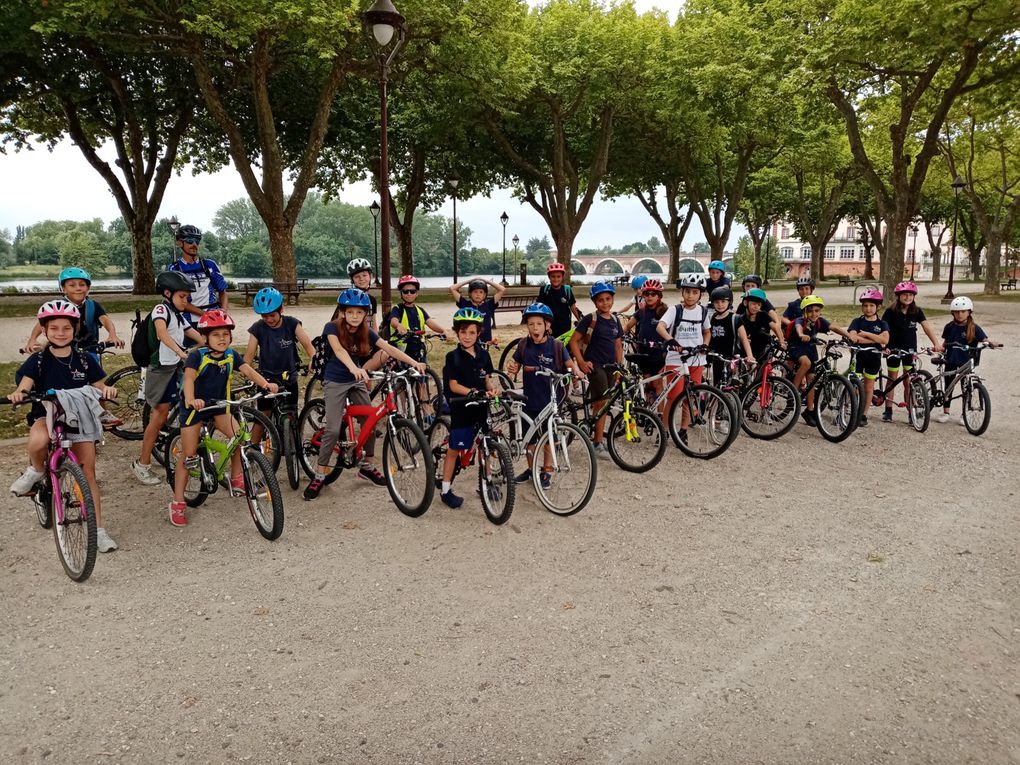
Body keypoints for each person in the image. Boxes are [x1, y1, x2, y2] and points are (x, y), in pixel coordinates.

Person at [9, 301, 120, 552]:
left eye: (66, 328)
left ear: (75, 329)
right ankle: (36, 470)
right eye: (54, 328)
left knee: (88, 473)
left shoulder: (83, 359)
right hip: (47, 415)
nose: (60, 333)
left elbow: (99, 384)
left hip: (79, 419)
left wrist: (106, 390)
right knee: (37, 441)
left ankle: (98, 530)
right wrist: (19, 393)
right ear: (45, 330)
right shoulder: (38, 360)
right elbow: (25, 385)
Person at [305, 288, 427, 501]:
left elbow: (388, 347)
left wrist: (414, 362)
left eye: (359, 313)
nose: (354, 316)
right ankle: (320, 473)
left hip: (356, 379)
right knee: (333, 430)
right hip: (335, 380)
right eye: (350, 312)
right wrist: (354, 368)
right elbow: (340, 351)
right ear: (342, 312)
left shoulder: (366, 331)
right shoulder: (331, 327)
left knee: (371, 421)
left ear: (365, 314)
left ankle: (367, 466)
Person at [170, 310, 278, 527]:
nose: (222, 338)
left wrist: (266, 384)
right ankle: (178, 501)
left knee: (240, 436)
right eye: (216, 334)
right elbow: (189, 379)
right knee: (189, 455)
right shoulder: (197, 356)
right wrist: (191, 399)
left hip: (220, 406)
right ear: (206, 337)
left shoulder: (231, 355)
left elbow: (247, 370)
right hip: (194, 409)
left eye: (225, 334)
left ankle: (237, 477)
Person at [22, 267, 125, 426]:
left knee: (95, 381)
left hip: (87, 349)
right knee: (46, 366)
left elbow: (105, 320)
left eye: (82, 284)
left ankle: (101, 412)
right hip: (63, 346)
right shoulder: (58, 306)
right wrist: (32, 340)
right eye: (72, 285)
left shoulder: (92, 306)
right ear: (63, 288)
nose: (78, 288)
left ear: (88, 288)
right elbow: (41, 324)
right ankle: (39, 403)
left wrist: (112, 334)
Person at [133, 272, 205, 487]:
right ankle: (142, 464)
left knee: (187, 399)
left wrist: (210, 341)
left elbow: (191, 331)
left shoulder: (176, 312)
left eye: (187, 297)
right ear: (167, 293)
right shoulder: (161, 309)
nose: (186, 301)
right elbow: (162, 334)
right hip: (160, 368)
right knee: (159, 415)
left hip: (173, 367)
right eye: (182, 296)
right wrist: (182, 352)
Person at [439, 307, 503, 508]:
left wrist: (492, 390)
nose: (467, 336)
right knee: (454, 450)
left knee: (486, 443)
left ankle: (488, 481)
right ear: (457, 332)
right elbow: (453, 385)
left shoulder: (483, 355)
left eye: (472, 332)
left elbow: (486, 379)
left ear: (479, 333)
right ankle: (445, 489)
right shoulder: (453, 357)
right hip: (462, 407)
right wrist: (471, 392)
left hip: (481, 407)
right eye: (463, 332)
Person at [506, 303, 575, 487]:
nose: (535, 328)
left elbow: (569, 364)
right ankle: (531, 470)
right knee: (531, 440)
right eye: (531, 324)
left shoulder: (556, 346)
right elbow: (514, 364)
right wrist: (512, 369)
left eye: (538, 324)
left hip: (551, 399)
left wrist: (572, 374)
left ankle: (547, 470)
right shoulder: (523, 345)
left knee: (548, 437)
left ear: (547, 326)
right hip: (530, 398)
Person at [244, 287, 316, 446]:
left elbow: (307, 344)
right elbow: (249, 352)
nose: (269, 319)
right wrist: (246, 367)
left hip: (289, 376)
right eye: (265, 316)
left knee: (291, 414)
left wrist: (313, 357)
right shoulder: (258, 328)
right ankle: (253, 450)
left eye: (272, 315)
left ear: (281, 309)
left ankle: (294, 446)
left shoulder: (292, 323)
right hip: (266, 378)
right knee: (263, 416)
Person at [569, 282, 624, 459]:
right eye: (600, 300)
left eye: (608, 299)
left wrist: (619, 367)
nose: (605, 303)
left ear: (613, 299)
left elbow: (618, 345)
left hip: (610, 367)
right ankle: (598, 443)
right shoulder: (590, 319)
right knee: (604, 401)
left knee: (601, 404)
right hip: (595, 366)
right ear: (594, 302)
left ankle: (594, 435)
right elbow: (573, 341)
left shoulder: (615, 320)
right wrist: (581, 362)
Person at [656, 273, 711, 441]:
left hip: (696, 359)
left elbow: (707, 331)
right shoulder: (675, 310)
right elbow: (660, 327)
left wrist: (705, 345)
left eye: (695, 292)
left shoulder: (702, 312)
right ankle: (664, 430)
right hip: (676, 359)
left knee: (691, 396)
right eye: (687, 291)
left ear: (700, 294)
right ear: (682, 292)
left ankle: (683, 429)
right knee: (673, 396)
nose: (690, 295)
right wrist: (670, 340)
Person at [879, 281, 941, 422]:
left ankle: (910, 411)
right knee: (892, 379)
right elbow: (884, 329)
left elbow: (926, 327)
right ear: (898, 296)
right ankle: (888, 410)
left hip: (910, 350)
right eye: (904, 294)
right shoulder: (890, 311)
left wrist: (936, 343)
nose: (907, 297)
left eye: (910, 295)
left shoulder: (917, 311)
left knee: (909, 382)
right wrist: (883, 346)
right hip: (893, 349)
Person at [787, 294, 850, 425]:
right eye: (810, 311)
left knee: (812, 381)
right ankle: (793, 390)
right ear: (804, 312)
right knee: (806, 363)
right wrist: (801, 334)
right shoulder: (800, 320)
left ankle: (810, 411)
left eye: (816, 311)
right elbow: (798, 328)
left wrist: (849, 336)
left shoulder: (820, 321)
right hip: (796, 347)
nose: (813, 314)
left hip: (810, 348)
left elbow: (834, 328)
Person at [936, 296, 998, 424]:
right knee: (948, 387)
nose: (960, 314)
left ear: (969, 312)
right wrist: (939, 349)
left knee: (967, 388)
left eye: (963, 311)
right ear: (952, 313)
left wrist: (990, 342)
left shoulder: (974, 328)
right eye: (957, 312)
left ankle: (964, 414)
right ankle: (946, 411)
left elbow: (984, 339)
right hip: (951, 360)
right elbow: (945, 342)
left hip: (967, 362)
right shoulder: (949, 327)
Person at [167, 224, 229, 327]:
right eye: (190, 241)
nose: (194, 244)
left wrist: (224, 311)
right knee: (191, 343)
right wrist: (204, 314)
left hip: (213, 316)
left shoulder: (210, 265)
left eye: (197, 241)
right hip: (188, 320)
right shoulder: (175, 269)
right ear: (179, 243)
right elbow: (179, 300)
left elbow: (222, 291)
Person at [847, 289, 890, 426]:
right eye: (865, 305)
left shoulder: (882, 324)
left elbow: (885, 340)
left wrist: (865, 334)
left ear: (878, 307)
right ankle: (854, 409)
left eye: (871, 305)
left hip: (873, 359)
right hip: (858, 357)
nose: (868, 308)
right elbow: (853, 338)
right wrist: (875, 340)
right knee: (855, 386)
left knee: (869, 387)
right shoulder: (856, 321)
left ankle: (863, 414)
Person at [389, 274, 449, 362]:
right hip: (402, 350)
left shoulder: (420, 310)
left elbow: (431, 323)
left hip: (419, 347)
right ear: (401, 293)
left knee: (424, 370)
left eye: (412, 291)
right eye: (405, 291)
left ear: (417, 293)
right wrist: (399, 326)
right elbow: (393, 321)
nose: (409, 294)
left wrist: (444, 331)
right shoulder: (398, 308)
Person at [449, 277, 505, 345]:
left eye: (481, 292)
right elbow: (452, 288)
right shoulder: (465, 304)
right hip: (469, 340)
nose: (478, 294)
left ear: (484, 295)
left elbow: (502, 289)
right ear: (470, 293)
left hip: (485, 342)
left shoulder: (489, 305)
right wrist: (469, 281)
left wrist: (486, 281)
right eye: (475, 292)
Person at [737, 288, 785, 362]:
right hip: (748, 349)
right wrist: (740, 338)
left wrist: (781, 341)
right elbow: (737, 333)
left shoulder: (763, 315)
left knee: (764, 367)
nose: (756, 307)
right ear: (745, 303)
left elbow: (775, 327)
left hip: (764, 348)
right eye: (753, 303)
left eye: (759, 305)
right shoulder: (741, 318)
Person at [535, 262, 582, 338]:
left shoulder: (567, 290)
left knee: (562, 348)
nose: (556, 279)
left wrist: (580, 320)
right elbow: (540, 309)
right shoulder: (545, 290)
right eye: (553, 276)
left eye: (558, 276)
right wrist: (544, 324)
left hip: (564, 326)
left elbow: (573, 306)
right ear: (549, 277)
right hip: (549, 326)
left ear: (562, 277)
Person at [707, 286, 741, 387]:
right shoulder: (712, 318)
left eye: (723, 301)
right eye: (717, 302)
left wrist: (749, 355)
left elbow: (743, 338)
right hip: (716, 358)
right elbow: (708, 335)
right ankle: (719, 402)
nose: (720, 305)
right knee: (717, 385)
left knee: (730, 385)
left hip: (730, 358)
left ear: (729, 302)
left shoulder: (735, 318)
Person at [347, 258, 378, 331]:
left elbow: (373, 323)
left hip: (368, 338)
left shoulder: (372, 300)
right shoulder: (348, 298)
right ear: (352, 280)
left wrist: (377, 340)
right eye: (357, 277)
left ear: (370, 276)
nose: (361, 279)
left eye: (364, 275)